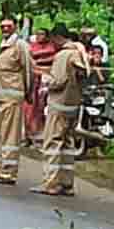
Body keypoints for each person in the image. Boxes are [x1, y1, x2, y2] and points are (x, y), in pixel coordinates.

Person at [32, 24, 86, 196]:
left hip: (59, 105)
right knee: (68, 145)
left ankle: (51, 183)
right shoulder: (79, 53)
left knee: (53, 143)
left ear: (56, 37)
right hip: (73, 106)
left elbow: (58, 80)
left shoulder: (63, 55)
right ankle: (66, 183)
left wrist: (46, 83)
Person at [0, 17, 33, 185]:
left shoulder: (20, 46)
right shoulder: (3, 45)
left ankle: (8, 173)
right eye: (2, 26)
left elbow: (28, 71)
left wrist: (28, 93)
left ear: (16, 27)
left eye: (8, 26)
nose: (4, 29)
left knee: (10, 137)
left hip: (12, 98)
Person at [25, 28, 58, 142]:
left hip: (49, 79)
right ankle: (31, 132)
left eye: (42, 34)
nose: (39, 36)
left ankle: (44, 131)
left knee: (44, 106)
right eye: (38, 34)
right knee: (32, 106)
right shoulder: (32, 46)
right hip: (35, 79)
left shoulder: (53, 47)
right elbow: (29, 62)